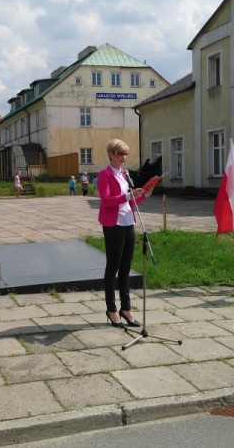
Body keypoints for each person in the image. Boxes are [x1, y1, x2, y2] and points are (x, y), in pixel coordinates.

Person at [97, 139, 153, 328]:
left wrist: (144, 194)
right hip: (114, 225)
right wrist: (130, 195)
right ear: (111, 154)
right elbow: (106, 201)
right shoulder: (104, 175)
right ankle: (111, 309)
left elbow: (130, 202)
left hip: (129, 223)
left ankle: (126, 308)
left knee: (126, 268)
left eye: (126, 154)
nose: (124, 157)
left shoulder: (124, 175)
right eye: (120, 154)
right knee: (112, 267)